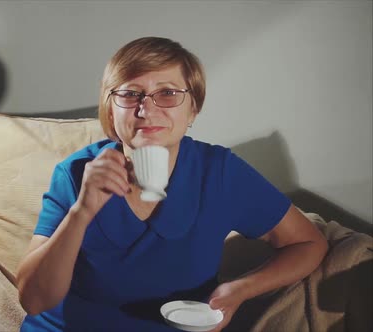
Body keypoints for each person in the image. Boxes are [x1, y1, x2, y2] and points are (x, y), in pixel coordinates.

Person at [16, 36, 328, 331]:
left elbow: (308, 244)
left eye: (167, 93)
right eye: (129, 93)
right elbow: (33, 300)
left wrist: (239, 290)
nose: (146, 109)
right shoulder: (75, 174)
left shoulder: (218, 172)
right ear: (110, 110)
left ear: (193, 109)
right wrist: (81, 212)